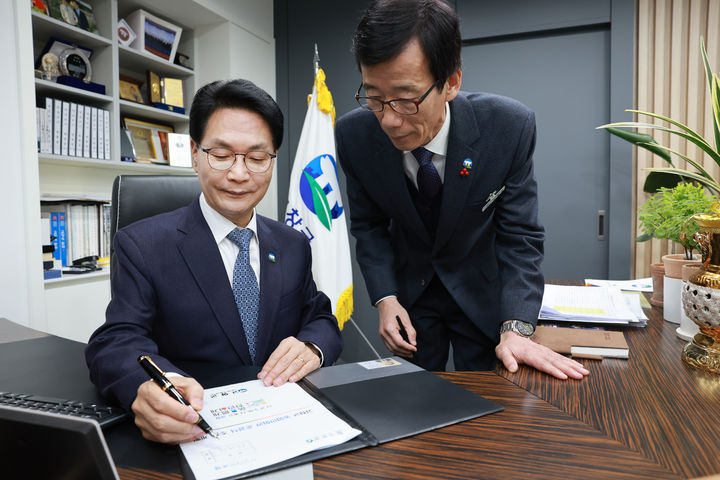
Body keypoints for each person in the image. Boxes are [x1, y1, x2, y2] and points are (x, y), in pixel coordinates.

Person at [335, 0, 588, 380]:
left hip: (483, 294)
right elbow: (368, 227)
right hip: (411, 298)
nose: (388, 119)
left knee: (495, 410)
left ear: (451, 82)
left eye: (406, 99)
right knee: (413, 410)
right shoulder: (354, 135)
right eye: (373, 96)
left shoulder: (508, 127)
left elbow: (520, 236)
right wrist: (385, 298)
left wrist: (516, 326)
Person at [85, 79, 342, 444]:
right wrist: (154, 385)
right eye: (221, 155)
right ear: (194, 153)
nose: (239, 174)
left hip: (285, 425)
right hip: (196, 427)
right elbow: (116, 340)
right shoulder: (143, 245)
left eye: (256, 158)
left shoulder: (292, 243)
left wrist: (311, 348)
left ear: (272, 160)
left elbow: (319, 317)